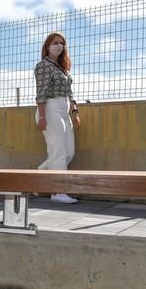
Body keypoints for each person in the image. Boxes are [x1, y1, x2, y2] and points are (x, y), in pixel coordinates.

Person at [35, 31, 81, 204]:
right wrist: (41, 117)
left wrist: (75, 112)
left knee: (68, 152)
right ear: (47, 46)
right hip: (49, 109)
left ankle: (37, 178)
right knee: (58, 152)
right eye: (55, 42)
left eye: (61, 43)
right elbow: (41, 93)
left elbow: (70, 93)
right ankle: (58, 192)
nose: (59, 45)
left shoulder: (62, 67)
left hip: (64, 110)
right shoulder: (43, 66)